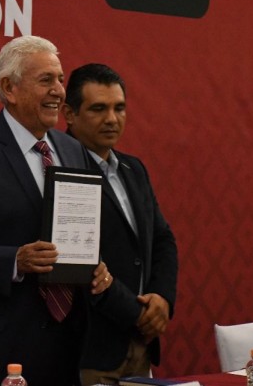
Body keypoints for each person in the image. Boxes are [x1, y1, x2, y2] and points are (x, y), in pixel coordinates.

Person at [0, 36, 113, 386]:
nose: (59, 91)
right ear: (9, 88)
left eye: (60, 79)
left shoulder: (73, 151)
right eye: (46, 80)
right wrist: (13, 260)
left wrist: (95, 265)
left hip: (62, 349)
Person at [62, 63, 178, 384]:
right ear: (69, 114)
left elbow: (163, 240)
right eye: (98, 109)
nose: (112, 119)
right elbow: (81, 265)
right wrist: (139, 315)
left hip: (141, 345)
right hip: (92, 348)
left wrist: (162, 298)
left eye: (119, 108)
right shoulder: (62, 170)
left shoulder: (133, 168)